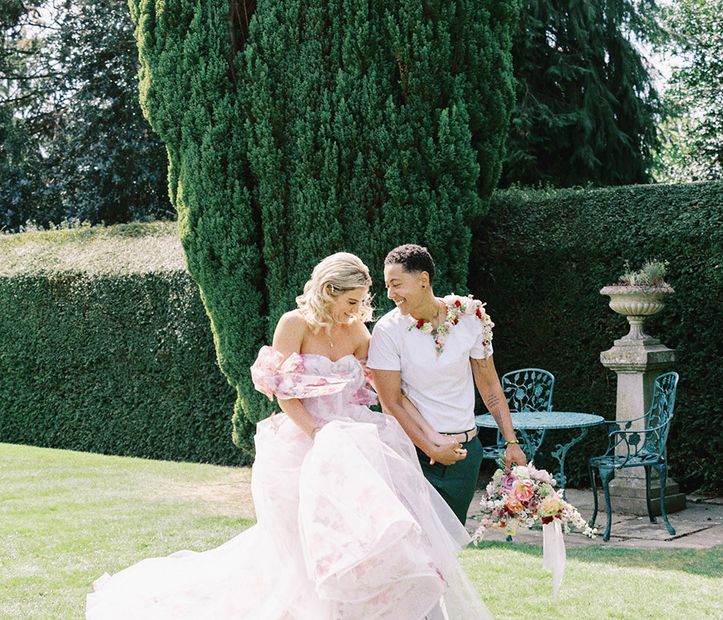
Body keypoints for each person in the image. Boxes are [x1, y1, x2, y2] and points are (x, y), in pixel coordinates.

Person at [86, 252, 493, 619]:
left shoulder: (356, 332)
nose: (358, 311)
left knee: (367, 532)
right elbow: (282, 390)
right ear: (329, 291)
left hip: (352, 437)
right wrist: (319, 434)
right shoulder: (294, 324)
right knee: (301, 547)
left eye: (361, 303)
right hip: (305, 438)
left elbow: (389, 385)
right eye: (352, 301)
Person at [368, 244, 527, 524]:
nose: (390, 294)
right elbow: (390, 402)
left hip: (465, 456)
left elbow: (489, 387)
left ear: (423, 281)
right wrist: (431, 448)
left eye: (396, 284)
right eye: (387, 286)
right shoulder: (387, 330)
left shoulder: (471, 318)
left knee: (451, 548)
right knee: (416, 549)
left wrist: (511, 441)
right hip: (413, 453)